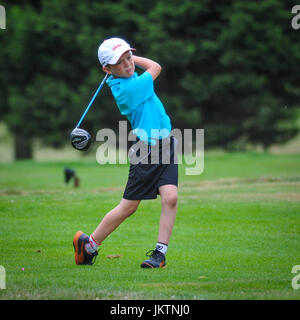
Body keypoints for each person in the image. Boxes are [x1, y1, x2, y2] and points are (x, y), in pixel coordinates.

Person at [73, 37, 178, 268]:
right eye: (120, 63)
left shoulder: (128, 78)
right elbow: (156, 67)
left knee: (171, 197)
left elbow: (137, 68)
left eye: (129, 58)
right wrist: (129, 56)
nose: (128, 65)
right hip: (146, 150)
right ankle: (89, 245)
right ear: (107, 69)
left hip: (167, 143)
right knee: (129, 206)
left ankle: (159, 255)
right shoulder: (130, 88)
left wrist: (123, 57)